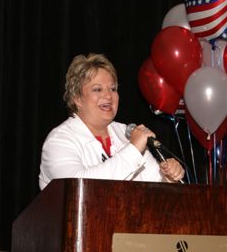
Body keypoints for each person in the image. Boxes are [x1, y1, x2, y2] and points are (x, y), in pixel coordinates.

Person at [39, 53, 184, 190]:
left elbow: (155, 186)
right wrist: (133, 150)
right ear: (77, 98)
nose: (108, 95)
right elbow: (78, 187)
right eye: (97, 89)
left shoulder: (125, 133)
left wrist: (168, 179)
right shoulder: (59, 141)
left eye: (113, 89)